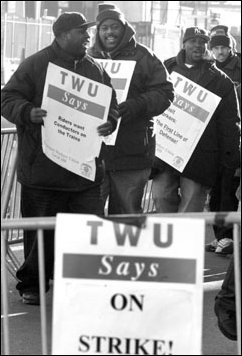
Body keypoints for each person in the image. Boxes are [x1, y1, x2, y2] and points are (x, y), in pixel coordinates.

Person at [1, 12, 119, 305]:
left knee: (87, 232)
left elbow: (111, 105)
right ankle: (33, 285)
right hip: (44, 170)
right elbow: (7, 99)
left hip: (84, 172)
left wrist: (111, 122)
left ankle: (83, 286)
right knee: (40, 235)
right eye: (82, 32)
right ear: (62, 35)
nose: (88, 36)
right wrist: (27, 112)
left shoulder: (95, 68)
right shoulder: (36, 64)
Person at [89, 3, 174, 215]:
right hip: (94, 153)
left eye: (114, 27)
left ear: (124, 27)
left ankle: (122, 250)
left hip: (132, 152)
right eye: (104, 27)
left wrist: (135, 106)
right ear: (98, 31)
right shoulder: (87, 57)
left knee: (126, 217)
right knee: (89, 218)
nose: (110, 32)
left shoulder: (144, 56)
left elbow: (165, 93)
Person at [151, 27, 240, 213]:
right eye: (193, 41)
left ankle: (185, 242)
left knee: (191, 208)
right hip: (166, 153)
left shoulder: (221, 81)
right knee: (161, 196)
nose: (198, 46)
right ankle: (168, 240)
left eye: (202, 42)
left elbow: (230, 122)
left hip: (200, 156)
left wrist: (229, 158)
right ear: (184, 44)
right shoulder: (165, 69)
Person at [206, 25, 241, 255]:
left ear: (231, 47)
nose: (220, 52)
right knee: (216, 188)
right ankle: (221, 236)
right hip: (215, 137)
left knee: (230, 187)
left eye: (224, 47)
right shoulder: (209, 69)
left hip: (235, 136)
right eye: (216, 48)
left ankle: (228, 237)